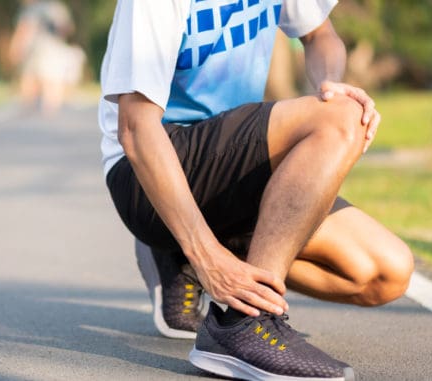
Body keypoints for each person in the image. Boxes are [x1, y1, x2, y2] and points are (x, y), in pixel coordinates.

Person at [98, 1, 414, 380]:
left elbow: (321, 35)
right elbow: (135, 128)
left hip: (230, 164)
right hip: (147, 171)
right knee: (341, 119)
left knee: (385, 273)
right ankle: (243, 323)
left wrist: (331, 83)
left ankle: (182, 255)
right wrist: (207, 257)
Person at [8, 0, 85, 115]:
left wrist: (16, 47)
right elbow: (68, 28)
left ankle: (33, 113)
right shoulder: (55, 7)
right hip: (45, 49)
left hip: (42, 50)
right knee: (45, 82)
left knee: (37, 81)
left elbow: (23, 29)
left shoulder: (39, 8)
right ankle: (47, 115)